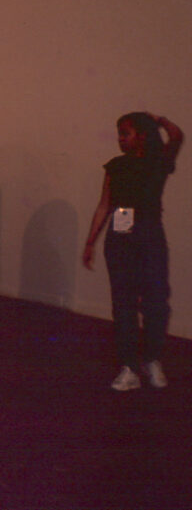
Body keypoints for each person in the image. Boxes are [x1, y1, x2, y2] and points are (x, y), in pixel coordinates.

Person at [83, 112, 183, 391]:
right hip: (120, 236)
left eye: (125, 133)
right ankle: (129, 367)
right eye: (119, 134)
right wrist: (90, 241)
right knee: (123, 304)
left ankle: (152, 360)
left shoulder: (158, 161)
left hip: (150, 235)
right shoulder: (115, 166)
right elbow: (105, 205)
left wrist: (159, 120)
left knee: (155, 301)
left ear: (141, 135)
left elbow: (176, 136)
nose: (120, 139)